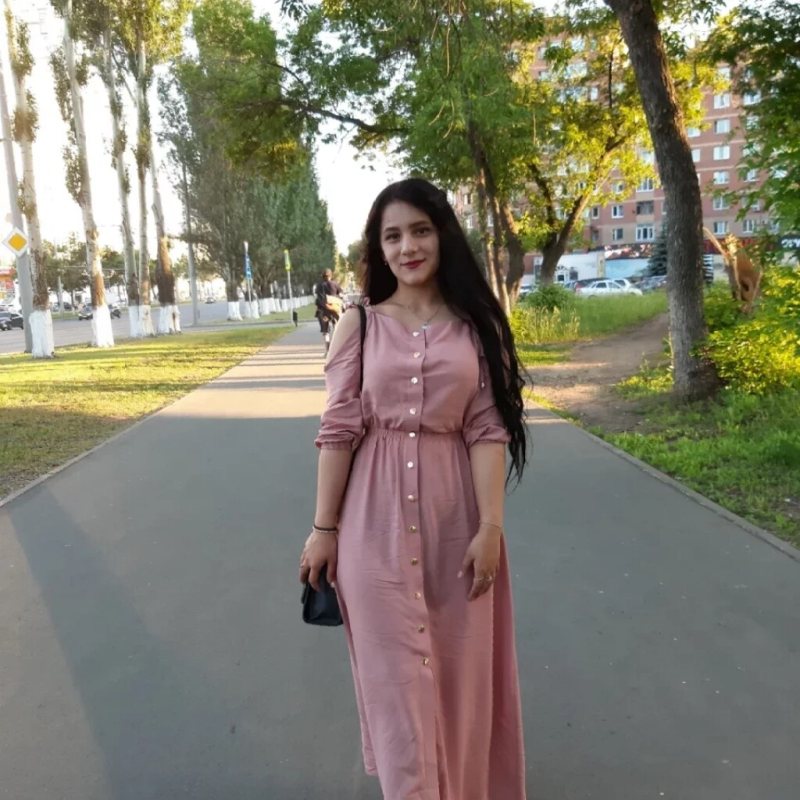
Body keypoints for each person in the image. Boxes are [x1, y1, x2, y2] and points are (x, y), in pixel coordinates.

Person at [300, 178, 529, 799]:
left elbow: (487, 429)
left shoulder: (476, 327)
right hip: (371, 531)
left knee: (461, 674)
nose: (408, 247)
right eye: (393, 235)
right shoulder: (359, 325)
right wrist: (324, 530)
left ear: (443, 234)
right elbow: (338, 430)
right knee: (395, 685)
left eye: (420, 230)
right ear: (378, 249)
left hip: (457, 524)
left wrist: (490, 527)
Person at [314, 269, 344, 354]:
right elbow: (341, 294)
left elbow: (317, 297)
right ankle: (336, 350)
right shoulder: (335, 284)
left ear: (322, 276)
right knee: (336, 329)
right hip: (334, 309)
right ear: (331, 276)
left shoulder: (319, 285)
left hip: (323, 310)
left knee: (325, 332)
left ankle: (327, 352)